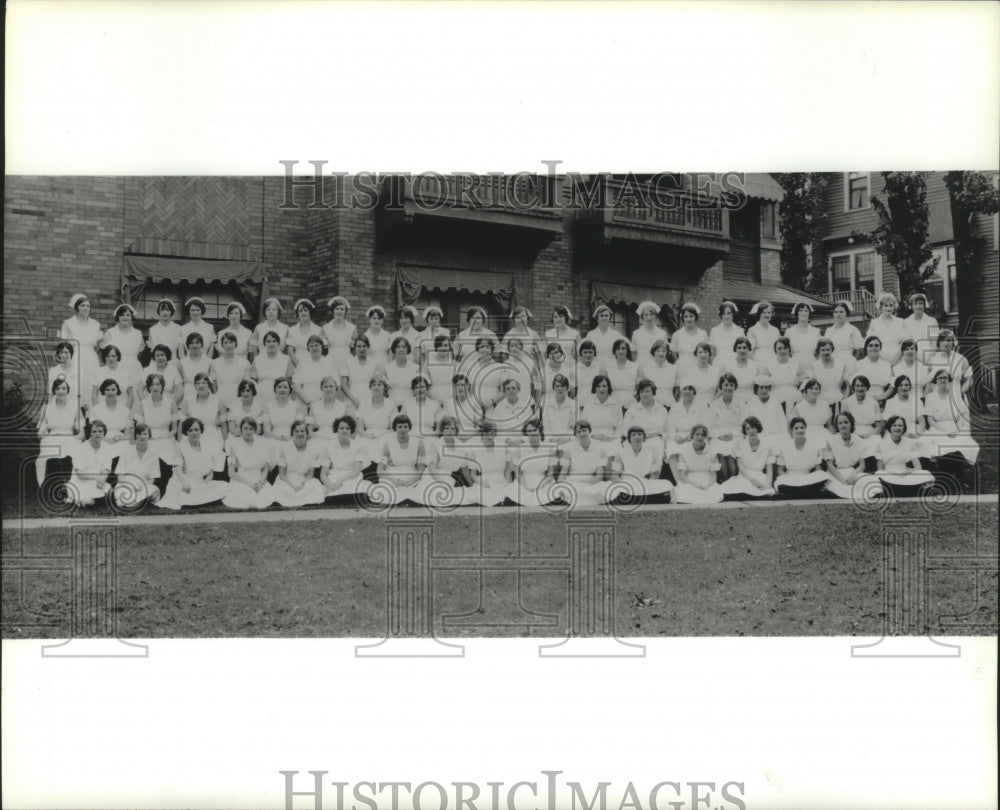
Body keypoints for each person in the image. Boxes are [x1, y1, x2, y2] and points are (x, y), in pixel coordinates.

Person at [155, 417, 229, 509]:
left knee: (225, 486)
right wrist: (185, 483)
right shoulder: (180, 447)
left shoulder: (206, 447)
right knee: (184, 496)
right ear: (186, 432)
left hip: (199, 483)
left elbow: (210, 470)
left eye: (196, 429)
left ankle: (199, 499)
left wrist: (207, 481)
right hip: (182, 483)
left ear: (201, 431)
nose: (194, 432)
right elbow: (178, 470)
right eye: (190, 430)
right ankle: (195, 500)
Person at [921, 369, 980, 467]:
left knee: (963, 442)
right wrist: (945, 431)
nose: (943, 380)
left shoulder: (956, 396)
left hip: (955, 426)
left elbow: (962, 416)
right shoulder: (930, 397)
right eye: (940, 378)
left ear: (949, 380)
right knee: (933, 442)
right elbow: (930, 420)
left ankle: (957, 467)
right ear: (935, 381)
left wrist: (957, 429)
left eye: (945, 378)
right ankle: (943, 466)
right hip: (937, 427)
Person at [35, 378, 81, 488]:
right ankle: (42, 487)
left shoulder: (75, 407)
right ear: (54, 391)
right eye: (58, 388)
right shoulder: (46, 408)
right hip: (52, 439)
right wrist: (50, 436)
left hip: (70, 439)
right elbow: (39, 434)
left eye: (64, 388)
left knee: (77, 457)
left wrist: (73, 437)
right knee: (40, 461)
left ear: (68, 390)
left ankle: (73, 487)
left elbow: (82, 433)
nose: (61, 391)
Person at [223, 416, 276, 509]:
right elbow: (231, 473)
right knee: (244, 500)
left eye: (251, 429)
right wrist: (249, 484)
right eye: (245, 428)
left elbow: (265, 468)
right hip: (242, 479)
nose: (248, 431)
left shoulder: (262, 443)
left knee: (263, 498)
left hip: (258, 479)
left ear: (255, 430)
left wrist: (261, 483)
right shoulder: (234, 444)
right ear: (241, 429)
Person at [608, 426, 673, 502]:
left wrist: (648, 484)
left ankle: (639, 497)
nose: (637, 437)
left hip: (644, 482)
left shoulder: (650, 453)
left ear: (643, 437)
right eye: (633, 435)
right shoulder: (621, 453)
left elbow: (654, 476)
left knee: (666, 484)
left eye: (639, 434)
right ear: (629, 439)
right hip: (627, 482)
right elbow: (614, 475)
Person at [875, 415, 935, 496]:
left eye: (900, 425)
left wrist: (910, 471)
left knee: (926, 474)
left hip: (905, 473)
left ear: (904, 428)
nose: (897, 428)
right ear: (889, 427)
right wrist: (894, 474)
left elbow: (918, 466)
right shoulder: (881, 444)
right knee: (879, 474)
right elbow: (880, 469)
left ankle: (911, 490)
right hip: (889, 474)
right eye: (894, 425)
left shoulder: (910, 442)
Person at [555, 420, 611, 506]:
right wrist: (560, 485)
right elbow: (562, 474)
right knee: (567, 489)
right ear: (575, 435)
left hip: (592, 482)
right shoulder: (569, 449)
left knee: (603, 489)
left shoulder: (600, 450)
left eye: (584, 430)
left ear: (589, 431)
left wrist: (584, 482)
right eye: (578, 431)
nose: (581, 433)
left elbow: (599, 477)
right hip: (573, 481)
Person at [273, 419, 327, 507]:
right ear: (292, 433)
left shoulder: (313, 449)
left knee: (315, 485)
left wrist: (302, 485)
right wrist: (292, 486)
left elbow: (310, 475)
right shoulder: (285, 447)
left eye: (302, 431)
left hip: (304, 479)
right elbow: (282, 475)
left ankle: (298, 499)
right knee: (281, 488)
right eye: (296, 431)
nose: (299, 433)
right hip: (287, 480)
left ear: (306, 433)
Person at [823, 411, 876, 500]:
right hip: (836, 473)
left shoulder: (859, 441)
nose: (843, 425)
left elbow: (862, 464)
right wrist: (843, 480)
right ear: (837, 426)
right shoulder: (830, 441)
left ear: (851, 424)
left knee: (870, 482)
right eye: (840, 423)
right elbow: (829, 465)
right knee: (840, 488)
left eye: (846, 422)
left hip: (852, 472)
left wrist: (853, 474)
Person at [719, 416, 776, 498]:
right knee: (736, 488)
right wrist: (752, 481)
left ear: (758, 428)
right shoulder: (740, 445)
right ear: (745, 431)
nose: (751, 431)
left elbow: (769, 471)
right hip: (745, 477)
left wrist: (768, 486)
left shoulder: (767, 447)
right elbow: (741, 468)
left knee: (765, 491)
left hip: (759, 476)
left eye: (753, 427)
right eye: (748, 429)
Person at [773, 416, 830, 497]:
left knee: (822, 475)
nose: (799, 430)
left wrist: (813, 477)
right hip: (790, 478)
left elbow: (818, 468)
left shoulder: (814, 446)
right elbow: (780, 469)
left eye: (802, 427)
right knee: (780, 482)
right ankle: (807, 491)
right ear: (792, 430)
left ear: (806, 429)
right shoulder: (785, 446)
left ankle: (795, 492)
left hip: (808, 477)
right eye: (796, 428)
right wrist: (787, 478)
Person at [132, 373, 180, 465]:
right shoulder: (143, 403)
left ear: (162, 386)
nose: (155, 387)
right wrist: (147, 437)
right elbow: (139, 426)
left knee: (167, 459)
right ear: (148, 387)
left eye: (158, 384)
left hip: (167, 438)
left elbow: (174, 429)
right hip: (148, 438)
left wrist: (165, 437)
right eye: (152, 385)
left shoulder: (171, 403)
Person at [111, 423, 162, 508]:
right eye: (139, 434)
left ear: (149, 436)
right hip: (126, 484)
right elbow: (120, 476)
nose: (142, 437)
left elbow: (152, 479)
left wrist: (143, 486)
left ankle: (134, 502)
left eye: (145, 434)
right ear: (136, 436)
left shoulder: (153, 454)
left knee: (154, 491)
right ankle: (136, 501)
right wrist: (130, 486)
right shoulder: (126, 451)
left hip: (143, 485)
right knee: (123, 492)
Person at [665, 384, 710, 478]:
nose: (687, 391)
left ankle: (693, 480)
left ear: (694, 392)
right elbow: (670, 426)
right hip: (679, 436)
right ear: (681, 391)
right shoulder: (675, 406)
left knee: (690, 449)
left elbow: (706, 423)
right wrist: (675, 437)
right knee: (672, 450)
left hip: (697, 435)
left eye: (690, 389)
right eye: (685, 389)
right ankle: (679, 482)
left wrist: (693, 435)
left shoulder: (702, 405)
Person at [671, 424, 724, 504]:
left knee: (713, 493)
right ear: (692, 435)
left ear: (706, 437)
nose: (699, 437)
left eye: (703, 435)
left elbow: (713, 476)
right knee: (685, 492)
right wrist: (695, 484)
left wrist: (708, 485)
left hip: (707, 479)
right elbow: (682, 476)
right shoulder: (684, 450)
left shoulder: (712, 451)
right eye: (697, 434)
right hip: (690, 480)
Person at [378, 414, 427, 498]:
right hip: (393, 474)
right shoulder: (388, 443)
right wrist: (395, 481)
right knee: (385, 492)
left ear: (409, 428)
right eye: (399, 427)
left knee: (421, 489)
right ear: (395, 428)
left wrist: (409, 482)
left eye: (405, 426)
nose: (403, 429)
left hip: (412, 475)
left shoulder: (419, 443)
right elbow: (380, 470)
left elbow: (421, 468)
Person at [60, 293, 103, 388]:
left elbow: (98, 345)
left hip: (91, 358)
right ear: (76, 308)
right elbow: (64, 346)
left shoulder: (95, 324)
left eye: (88, 306)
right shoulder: (68, 323)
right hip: (75, 357)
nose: (85, 308)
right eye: (82, 305)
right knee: (76, 384)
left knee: (91, 383)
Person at [67, 420, 114, 506]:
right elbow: (80, 474)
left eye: (100, 431)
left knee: (111, 492)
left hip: (96, 482)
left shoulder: (107, 447)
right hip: (80, 482)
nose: (97, 434)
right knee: (88, 502)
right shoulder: (81, 448)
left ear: (104, 433)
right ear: (89, 433)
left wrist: (103, 480)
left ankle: (99, 498)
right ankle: (85, 499)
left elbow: (106, 469)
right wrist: (98, 477)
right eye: (94, 431)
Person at [623, 378, 669, 464]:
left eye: (647, 391)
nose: (644, 394)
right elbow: (625, 430)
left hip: (655, 440)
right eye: (642, 392)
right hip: (636, 440)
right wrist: (639, 436)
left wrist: (658, 435)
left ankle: (653, 476)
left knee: (656, 449)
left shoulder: (662, 410)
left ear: (653, 393)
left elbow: (668, 432)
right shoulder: (632, 409)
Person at [183, 372, 227, 458]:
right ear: (195, 386)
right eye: (198, 383)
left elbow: (224, 425)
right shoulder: (188, 401)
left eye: (204, 383)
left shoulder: (218, 401)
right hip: (193, 435)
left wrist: (226, 443)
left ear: (208, 385)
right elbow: (183, 424)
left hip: (212, 436)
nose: (201, 385)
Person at [263, 376, 307, 463]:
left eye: (285, 387)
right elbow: (266, 430)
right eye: (279, 387)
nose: (282, 390)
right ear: (275, 389)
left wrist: (290, 437)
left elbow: (299, 428)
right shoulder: (268, 406)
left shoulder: (296, 406)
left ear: (290, 390)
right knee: (272, 446)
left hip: (291, 436)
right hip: (273, 436)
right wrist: (278, 438)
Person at [321, 415, 367, 497]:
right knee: (331, 487)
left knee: (352, 485)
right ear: (337, 430)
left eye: (347, 428)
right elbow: (323, 474)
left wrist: (341, 480)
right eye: (341, 428)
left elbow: (356, 470)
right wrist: (331, 486)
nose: (344, 431)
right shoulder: (329, 446)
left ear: (351, 430)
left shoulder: (358, 446)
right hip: (335, 475)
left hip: (351, 476)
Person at [706, 373, 742, 477]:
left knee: (732, 466)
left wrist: (732, 435)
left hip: (735, 437)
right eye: (726, 385)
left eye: (731, 385)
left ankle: (734, 487)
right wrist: (720, 436)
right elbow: (710, 426)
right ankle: (725, 487)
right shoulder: (714, 405)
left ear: (735, 387)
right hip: (718, 438)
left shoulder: (741, 404)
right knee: (723, 466)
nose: (728, 387)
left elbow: (743, 425)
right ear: (721, 387)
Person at [923, 329, 973, 401]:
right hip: (937, 400)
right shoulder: (932, 360)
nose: (945, 344)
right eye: (942, 341)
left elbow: (969, 380)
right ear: (938, 343)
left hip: (956, 398)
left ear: (953, 343)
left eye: (948, 340)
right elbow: (929, 383)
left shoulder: (961, 359)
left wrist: (960, 392)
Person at [355, 377, 396, 464]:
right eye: (374, 385)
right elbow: (359, 428)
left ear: (384, 387)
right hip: (368, 434)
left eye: (379, 385)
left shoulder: (391, 404)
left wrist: (381, 435)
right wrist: (367, 435)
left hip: (386, 434)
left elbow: (393, 429)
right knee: (364, 445)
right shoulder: (363, 404)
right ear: (371, 388)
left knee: (384, 444)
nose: (376, 387)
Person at [100, 304, 145, 383]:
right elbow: (105, 353)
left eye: (128, 315)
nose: (125, 317)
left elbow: (140, 353)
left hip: (134, 368)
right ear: (118, 317)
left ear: (131, 317)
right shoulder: (110, 333)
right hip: (116, 367)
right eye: (122, 315)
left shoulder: (138, 333)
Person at [90, 379, 132, 457]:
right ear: (103, 392)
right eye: (107, 390)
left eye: (113, 389)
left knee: (126, 450)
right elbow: (93, 432)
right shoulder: (96, 409)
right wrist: (106, 440)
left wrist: (118, 439)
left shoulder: (125, 410)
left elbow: (129, 435)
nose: (110, 392)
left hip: (119, 440)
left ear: (117, 391)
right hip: (100, 439)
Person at [839, 375, 882, 453]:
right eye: (857, 385)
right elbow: (843, 423)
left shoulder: (874, 403)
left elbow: (878, 426)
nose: (859, 388)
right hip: (851, 432)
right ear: (853, 387)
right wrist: (854, 435)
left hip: (870, 433)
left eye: (862, 386)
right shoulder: (846, 402)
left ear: (867, 387)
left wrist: (869, 435)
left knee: (876, 445)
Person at [580, 375, 623, 453]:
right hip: (592, 438)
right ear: (595, 388)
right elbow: (583, 427)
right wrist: (593, 436)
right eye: (598, 386)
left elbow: (620, 428)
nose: (601, 389)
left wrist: (612, 438)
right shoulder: (588, 405)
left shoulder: (616, 406)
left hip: (611, 439)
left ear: (608, 388)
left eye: (604, 386)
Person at [210, 330, 252, 408]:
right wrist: (216, 399)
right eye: (226, 343)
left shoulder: (244, 363)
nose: (229, 345)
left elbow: (245, 384)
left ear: (235, 344)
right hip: (220, 399)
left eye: (231, 342)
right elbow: (213, 384)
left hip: (238, 400)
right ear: (222, 345)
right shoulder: (215, 363)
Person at [251, 330, 292, 408]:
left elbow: (289, 380)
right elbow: (253, 381)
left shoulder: (286, 359)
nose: (271, 343)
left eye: (274, 341)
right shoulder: (257, 359)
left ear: (278, 343)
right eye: (268, 341)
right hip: (262, 394)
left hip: (280, 394)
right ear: (264, 344)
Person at [291, 334, 335, 407]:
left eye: (316, 345)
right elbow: (296, 386)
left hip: (324, 403)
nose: (314, 348)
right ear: (308, 348)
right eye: (311, 346)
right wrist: (308, 403)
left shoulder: (329, 363)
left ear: (322, 346)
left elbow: (334, 386)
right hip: (304, 402)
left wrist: (319, 403)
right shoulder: (302, 363)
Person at [865, 292, 908, 365]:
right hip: (880, 357)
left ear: (894, 306)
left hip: (898, 357)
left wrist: (897, 356)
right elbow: (869, 342)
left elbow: (905, 341)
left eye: (891, 305)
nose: (888, 308)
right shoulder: (875, 323)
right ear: (881, 307)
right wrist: (880, 358)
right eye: (885, 305)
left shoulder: (900, 322)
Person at [824, 300, 863, 374]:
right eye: (836, 312)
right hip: (832, 361)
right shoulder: (829, 331)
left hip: (847, 361)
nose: (838, 314)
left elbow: (859, 349)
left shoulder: (852, 329)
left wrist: (853, 361)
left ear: (847, 313)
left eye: (841, 312)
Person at [743, 376, 786, 443]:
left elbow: (783, 424)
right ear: (756, 389)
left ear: (769, 389)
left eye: (766, 387)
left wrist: (783, 438)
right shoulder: (750, 404)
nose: (764, 390)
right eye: (761, 387)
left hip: (775, 437)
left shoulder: (776, 403)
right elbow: (746, 425)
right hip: (757, 438)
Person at [669, 302, 709, 374]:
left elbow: (706, 352)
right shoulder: (677, 334)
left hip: (698, 367)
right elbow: (673, 352)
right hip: (682, 368)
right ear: (683, 318)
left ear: (695, 317)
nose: (688, 319)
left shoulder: (703, 334)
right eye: (686, 316)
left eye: (691, 316)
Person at [763, 336, 801, 411]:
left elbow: (800, 379)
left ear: (789, 349)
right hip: (775, 395)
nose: (783, 351)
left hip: (793, 395)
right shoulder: (770, 364)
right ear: (775, 351)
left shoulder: (795, 363)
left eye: (785, 348)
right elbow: (763, 381)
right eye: (779, 348)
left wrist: (798, 381)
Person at [637, 339, 677, 409]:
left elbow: (677, 391)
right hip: (651, 406)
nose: (661, 353)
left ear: (667, 352)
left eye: (663, 351)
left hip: (670, 405)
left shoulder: (674, 369)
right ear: (653, 352)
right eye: (658, 351)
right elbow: (641, 391)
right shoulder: (646, 369)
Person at [439, 373, 482, 438]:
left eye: (463, 385)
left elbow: (480, 426)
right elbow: (445, 425)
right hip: (453, 436)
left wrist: (470, 436)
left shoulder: (474, 403)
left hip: (471, 436)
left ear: (467, 386)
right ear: (454, 387)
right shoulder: (448, 403)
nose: (460, 387)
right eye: (458, 385)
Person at [383, 336, 421, 408]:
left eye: (404, 347)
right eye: (398, 347)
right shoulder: (386, 368)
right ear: (394, 349)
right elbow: (384, 392)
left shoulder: (416, 368)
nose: (401, 349)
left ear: (408, 349)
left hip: (411, 406)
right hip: (391, 405)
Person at [93, 344, 135, 409]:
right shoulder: (98, 372)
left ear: (117, 357)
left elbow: (131, 395)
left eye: (113, 356)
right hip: (103, 409)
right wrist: (96, 410)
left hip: (121, 410)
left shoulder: (126, 372)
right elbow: (94, 394)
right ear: (104, 357)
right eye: (108, 356)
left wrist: (127, 411)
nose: (111, 359)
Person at [323, 296, 358, 372]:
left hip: (347, 360)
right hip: (331, 360)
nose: (339, 311)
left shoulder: (352, 328)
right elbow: (323, 349)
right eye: (337, 309)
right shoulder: (326, 328)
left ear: (345, 311)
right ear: (333, 310)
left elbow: (354, 349)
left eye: (342, 309)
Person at [785, 302, 822, 375]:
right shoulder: (789, 332)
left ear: (809, 314)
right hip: (795, 365)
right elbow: (786, 352)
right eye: (800, 310)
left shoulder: (816, 331)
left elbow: (819, 352)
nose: (803, 313)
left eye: (806, 311)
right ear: (796, 313)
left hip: (812, 364)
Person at [811, 337, 847, 408]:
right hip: (820, 401)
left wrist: (845, 398)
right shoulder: (814, 366)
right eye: (823, 350)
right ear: (819, 351)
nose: (825, 352)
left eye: (828, 349)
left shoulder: (840, 364)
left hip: (838, 399)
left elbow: (846, 385)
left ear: (832, 350)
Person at [857, 335, 895, 403]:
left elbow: (892, 386)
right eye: (870, 345)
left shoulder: (887, 365)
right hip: (862, 398)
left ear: (880, 348)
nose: (873, 348)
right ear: (866, 348)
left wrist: (883, 397)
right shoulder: (859, 364)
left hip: (881, 399)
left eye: (876, 345)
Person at [285, 299, 326, 363]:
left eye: (306, 310)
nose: (303, 313)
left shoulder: (318, 329)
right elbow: (290, 352)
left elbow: (322, 350)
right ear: (298, 313)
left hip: (314, 363)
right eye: (301, 311)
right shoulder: (292, 330)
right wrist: (298, 365)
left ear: (310, 312)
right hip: (296, 363)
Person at [678, 341, 718, 406]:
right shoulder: (690, 372)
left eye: (705, 352)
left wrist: (711, 404)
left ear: (709, 354)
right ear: (696, 354)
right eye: (700, 352)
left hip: (712, 405)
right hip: (694, 406)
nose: (703, 355)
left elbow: (719, 392)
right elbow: (684, 393)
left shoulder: (716, 371)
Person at [540, 373, 576, 446]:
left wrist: (567, 439)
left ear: (567, 387)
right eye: (557, 386)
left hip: (568, 441)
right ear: (553, 387)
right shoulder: (547, 404)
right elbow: (546, 426)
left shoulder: (573, 404)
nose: (560, 388)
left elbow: (575, 427)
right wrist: (552, 439)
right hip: (551, 441)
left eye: (563, 386)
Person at [722, 336, 758, 406]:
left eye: (744, 347)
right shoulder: (727, 365)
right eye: (739, 348)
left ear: (749, 349)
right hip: (732, 399)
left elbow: (757, 389)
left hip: (751, 400)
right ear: (735, 349)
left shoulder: (755, 366)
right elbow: (722, 387)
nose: (742, 350)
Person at [604, 338, 639, 409]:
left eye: (623, 348)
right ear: (614, 351)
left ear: (627, 351)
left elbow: (639, 389)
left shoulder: (635, 367)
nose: (621, 351)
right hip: (612, 404)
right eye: (618, 349)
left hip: (630, 404)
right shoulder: (608, 368)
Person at [708, 301, 744, 369]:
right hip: (719, 364)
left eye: (729, 313)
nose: (726, 316)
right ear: (721, 315)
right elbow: (711, 353)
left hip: (735, 364)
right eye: (724, 314)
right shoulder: (714, 331)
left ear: (733, 314)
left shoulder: (739, 331)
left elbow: (743, 351)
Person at [178, 332, 212, 404]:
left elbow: (212, 384)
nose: (194, 345)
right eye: (191, 343)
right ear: (187, 345)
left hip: (205, 398)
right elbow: (180, 386)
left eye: (197, 342)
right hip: (187, 397)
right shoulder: (182, 363)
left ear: (201, 345)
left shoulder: (209, 362)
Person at [422, 334, 457, 405]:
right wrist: (434, 400)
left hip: (452, 400)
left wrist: (450, 401)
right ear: (436, 347)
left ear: (449, 347)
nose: (443, 348)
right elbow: (423, 385)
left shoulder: (456, 364)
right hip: (432, 400)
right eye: (440, 345)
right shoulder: (428, 363)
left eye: (445, 345)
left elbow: (459, 385)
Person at [747, 301, 781, 369]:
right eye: (764, 312)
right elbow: (749, 351)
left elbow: (779, 348)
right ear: (759, 314)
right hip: (758, 362)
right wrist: (755, 364)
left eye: (769, 312)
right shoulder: (752, 330)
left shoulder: (775, 330)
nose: (766, 315)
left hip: (773, 361)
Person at [48, 342, 81, 410]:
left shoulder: (78, 370)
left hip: (73, 407)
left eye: (66, 352)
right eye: (61, 352)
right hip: (57, 406)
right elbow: (50, 394)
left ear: (71, 354)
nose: (64, 355)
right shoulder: (53, 371)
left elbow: (80, 395)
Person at [573, 339, 602, 410]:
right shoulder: (575, 368)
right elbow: (572, 391)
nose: (588, 355)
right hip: (580, 404)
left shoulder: (599, 368)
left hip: (595, 404)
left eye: (590, 352)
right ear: (581, 353)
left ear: (594, 353)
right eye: (585, 352)